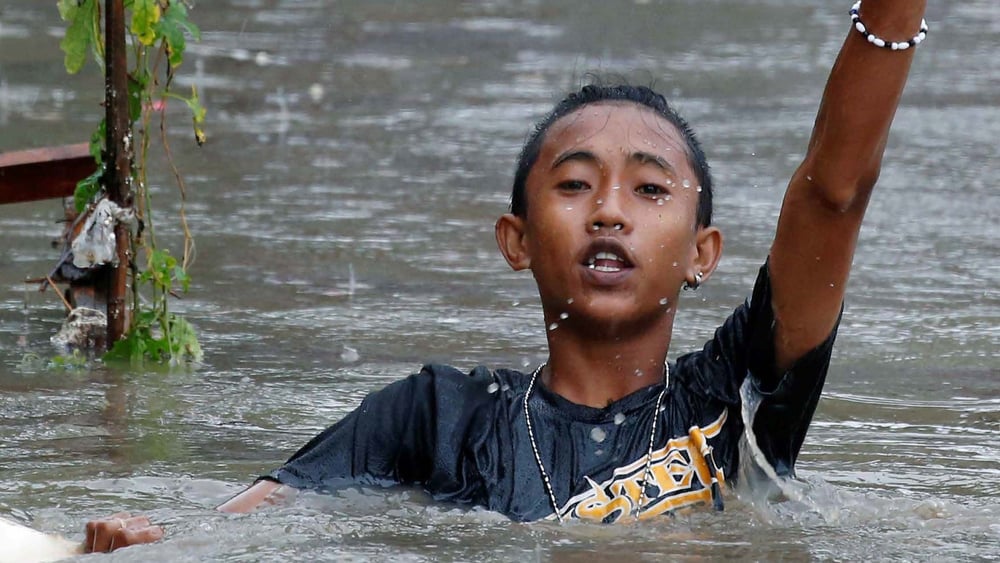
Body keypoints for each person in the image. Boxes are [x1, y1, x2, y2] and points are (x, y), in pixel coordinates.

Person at [82, 0, 927, 551]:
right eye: (574, 182)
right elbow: (256, 520)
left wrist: (891, 11)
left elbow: (835, 191)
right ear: (516, 240)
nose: (608, 209)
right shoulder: (436, 416)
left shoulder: (735, 404)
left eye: (649, 187)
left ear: (702, 252)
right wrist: (147, 539)